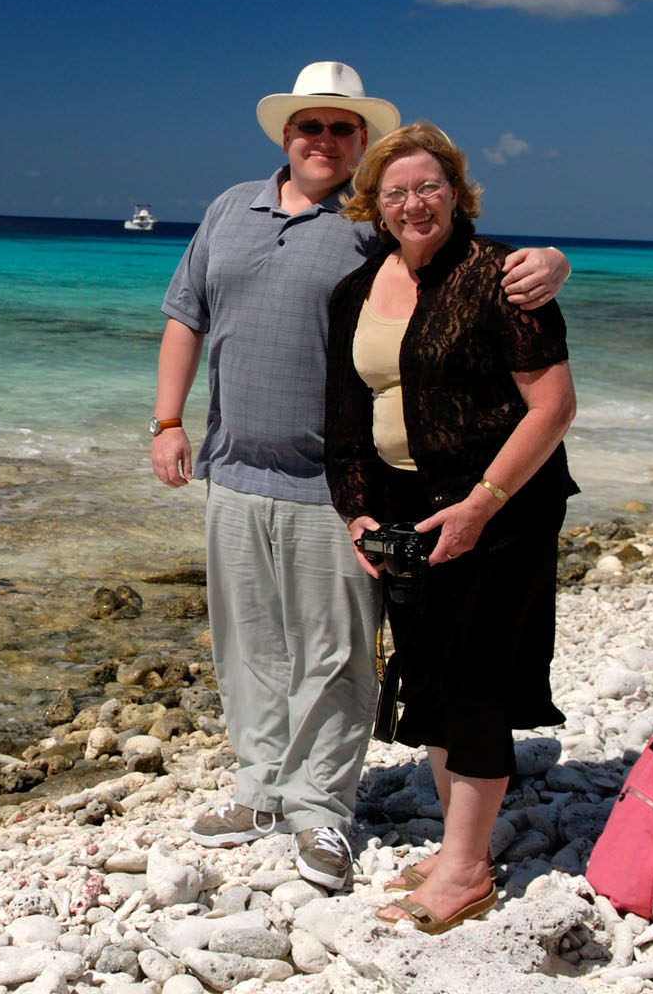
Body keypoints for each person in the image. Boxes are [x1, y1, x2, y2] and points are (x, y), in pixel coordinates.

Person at [150, 63, 571, 890]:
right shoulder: (230, 208)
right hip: (232, 468)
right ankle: (259, 790)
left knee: (337, 653)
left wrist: (553, 262)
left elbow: (463, 260)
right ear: (286, 134)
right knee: (247, 644)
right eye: (310, 125)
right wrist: (167, 423)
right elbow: (184, 315)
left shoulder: (371, 220)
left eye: (342, 128)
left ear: (361, 143)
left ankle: (321, 809)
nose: (324, 139)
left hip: (332, 484)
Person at [323, 120, 577, 931]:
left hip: (502, 505)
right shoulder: (355, 291)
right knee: (427, 671)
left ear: (456, 192)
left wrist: (480, 503)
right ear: (375, 204)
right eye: (395, 192)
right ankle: (458, 842)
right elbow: (345, 417)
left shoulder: (502, 276)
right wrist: (357, 512)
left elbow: (553, 406)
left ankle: (467, 869)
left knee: (476, 677)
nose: (414, 204)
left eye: (428, 186)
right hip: (403, 509)